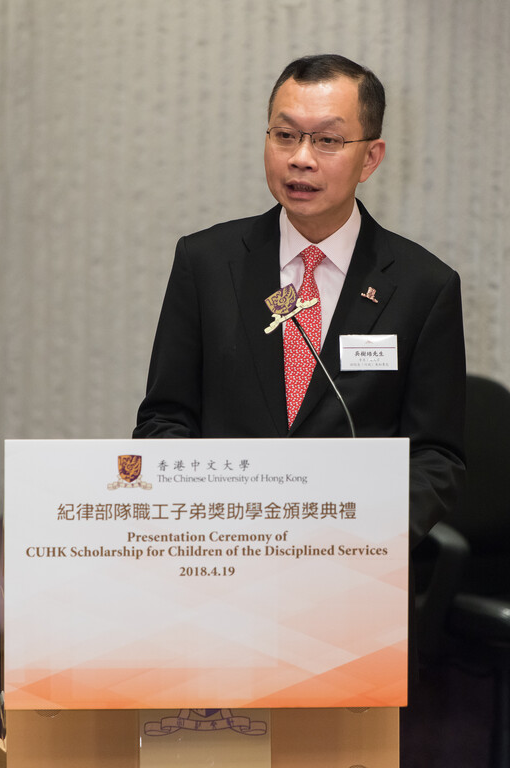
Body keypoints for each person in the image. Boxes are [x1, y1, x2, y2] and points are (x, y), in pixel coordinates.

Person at [133, 53, 465, 558]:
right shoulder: (205, 263)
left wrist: (360, 536)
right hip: (224, 556)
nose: (300, 158)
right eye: (284, 135)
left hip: (353, 574)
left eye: (327, 140)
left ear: (370, 158)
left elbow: (435, 457)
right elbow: (164, 419)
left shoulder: (425, 286)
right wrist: (213, 518)